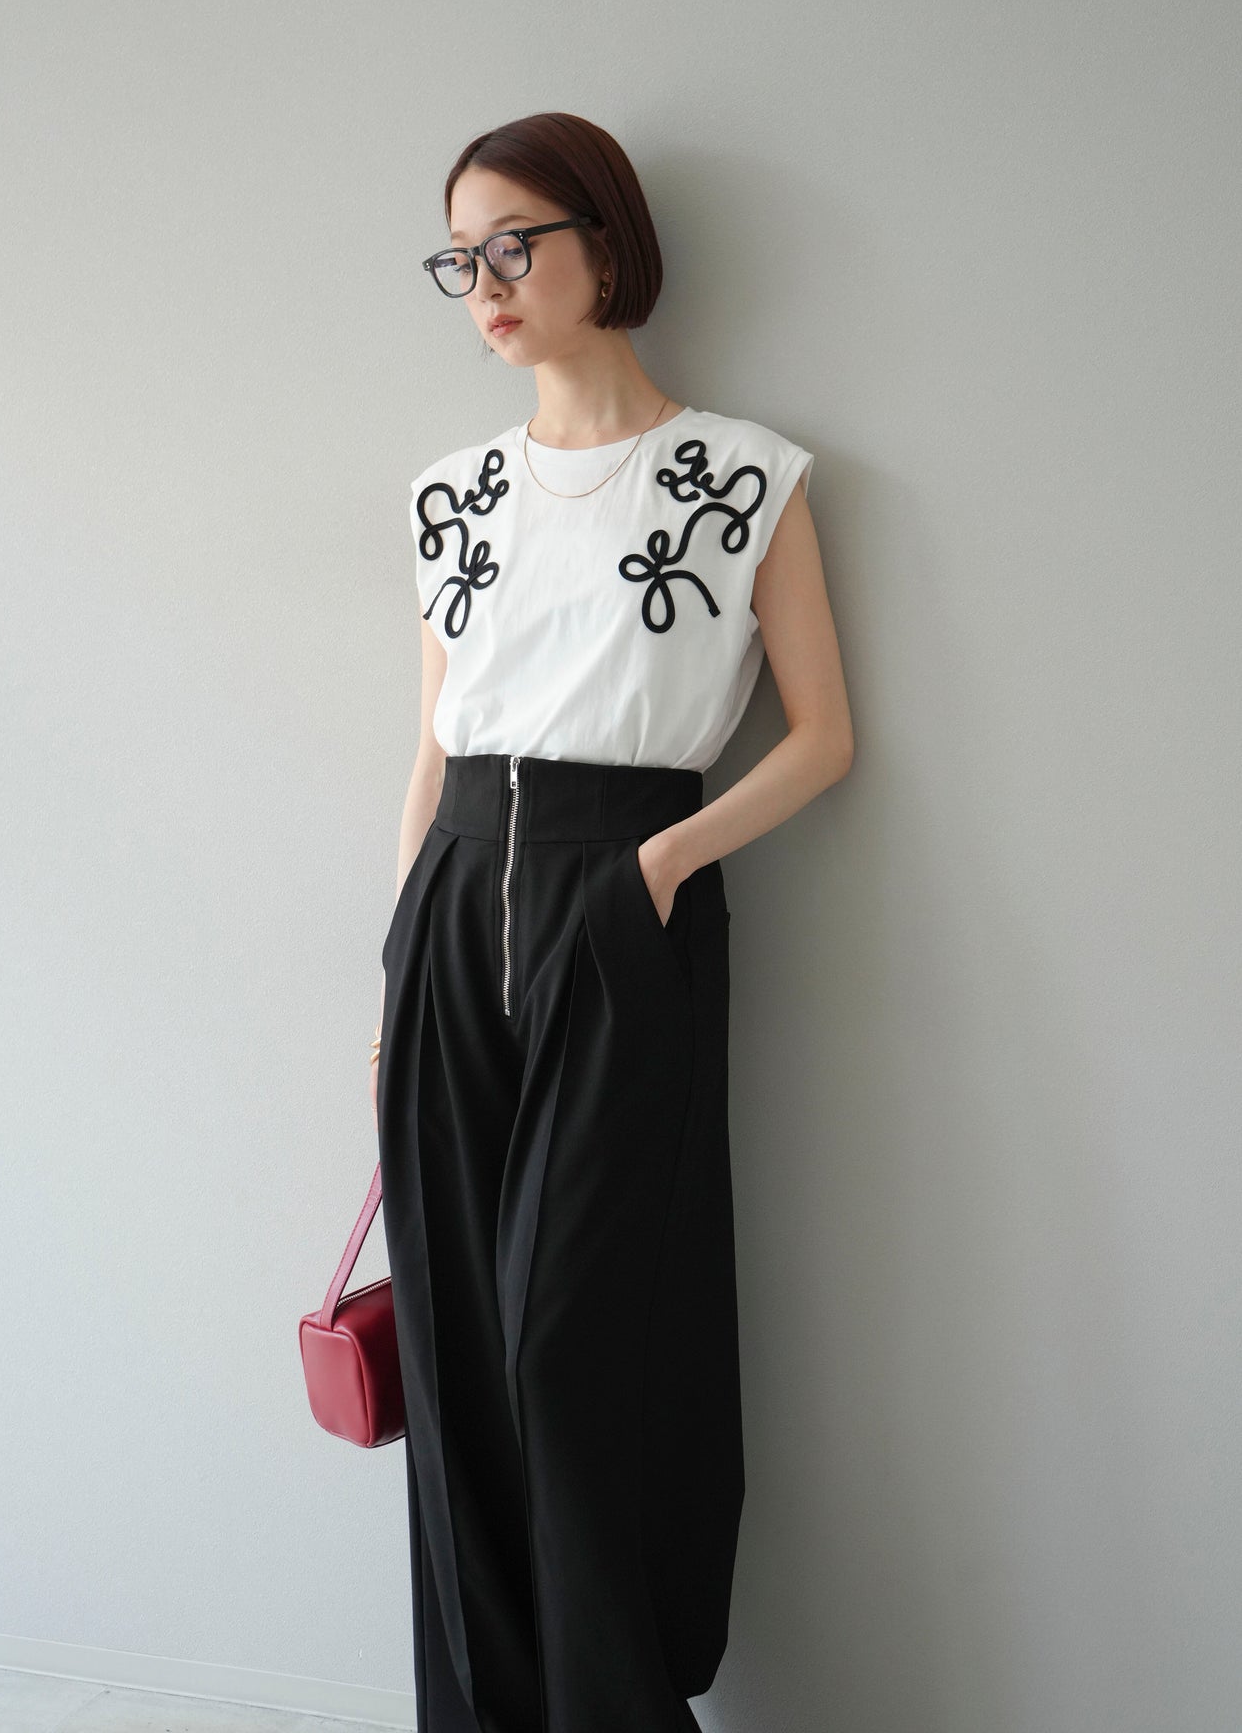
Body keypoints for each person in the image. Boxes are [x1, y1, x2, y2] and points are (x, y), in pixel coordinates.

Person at [369, 111, 853, 1733]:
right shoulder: (449, 494)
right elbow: (431, 747)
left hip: (620, 898)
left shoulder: (741, 476)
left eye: (515, 244)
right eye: (460, 259)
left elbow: (823, 739)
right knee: (453, 1354)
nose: (486, 285)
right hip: (453, 905)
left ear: (605, 244)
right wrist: (393, 971)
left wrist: (653, 871)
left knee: (569, 1354)